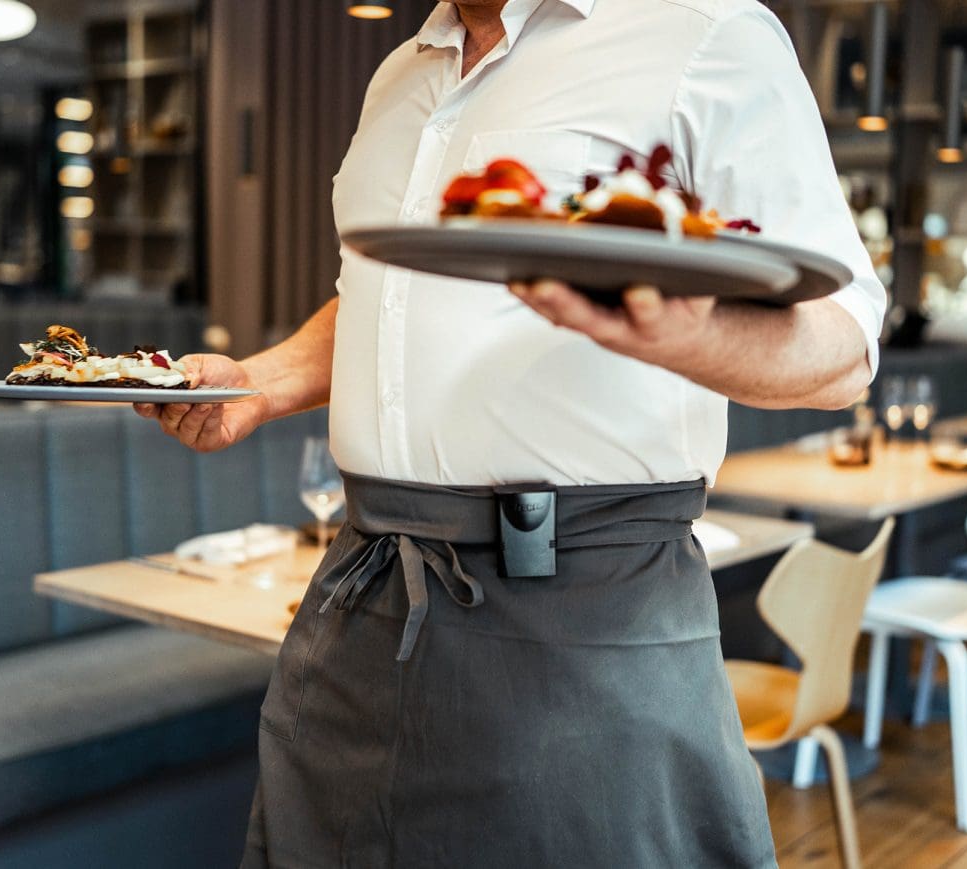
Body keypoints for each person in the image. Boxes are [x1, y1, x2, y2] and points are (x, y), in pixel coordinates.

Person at [137, 0, 886, 865]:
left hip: (589, 618)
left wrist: (690, 337)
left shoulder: (708, 33)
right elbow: (382, 299)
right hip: (364, 600)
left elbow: (847, 346)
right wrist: (261, 383)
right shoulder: (400, 74)